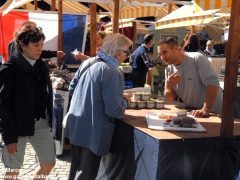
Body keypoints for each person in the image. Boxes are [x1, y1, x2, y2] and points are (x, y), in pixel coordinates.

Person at [63, 33, 133, 180]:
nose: (128, 56)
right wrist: (125, 101)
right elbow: (114, 110)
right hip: (94, 131)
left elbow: (72, 88)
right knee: (87, 175)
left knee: (76, 171)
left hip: (77, 125)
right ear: (117, 52)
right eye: (127, 52)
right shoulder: (112, 71)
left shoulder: (88, 62)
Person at [0, 26, 55, 179]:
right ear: (23, 46)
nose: (40, 49)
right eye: (36, 45)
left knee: (49, 162)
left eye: (42, 45)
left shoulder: (41, 66)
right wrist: (9, 136)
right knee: (13, 171)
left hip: (40, 122)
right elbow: (3, 105)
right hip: (16, 126)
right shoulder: (9, 70)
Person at [157, 37, 223, 117]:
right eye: (160, 54)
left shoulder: (197, 59)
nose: (162, 57)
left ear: (176, 48)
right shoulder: (168, 70)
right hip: (193, 113)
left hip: (214, 113)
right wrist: (168, 87)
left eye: (164, 52)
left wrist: (205, 109)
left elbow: (213, 84)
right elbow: (171, 98)